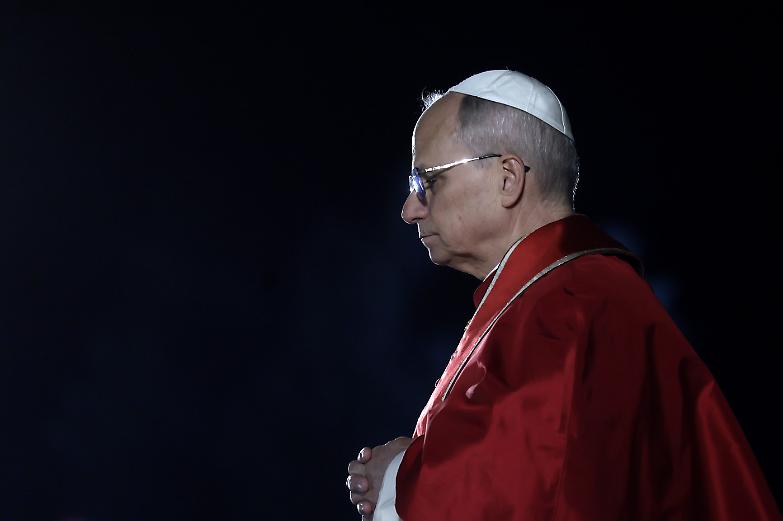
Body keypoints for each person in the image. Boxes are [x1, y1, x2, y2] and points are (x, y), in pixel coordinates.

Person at [345, 69, 782, 520]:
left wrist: (398, 481)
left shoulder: (570, 306)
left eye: (426, 182)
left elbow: (529, 491)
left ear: (508, 178)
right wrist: (417, 464)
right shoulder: (563, 294)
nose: (409, 210)